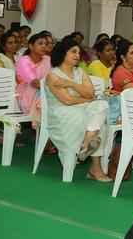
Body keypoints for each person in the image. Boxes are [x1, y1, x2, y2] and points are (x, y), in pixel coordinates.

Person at [44, 37, 111, 182]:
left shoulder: (80, 71)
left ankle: (86, 143)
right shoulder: (53, 75)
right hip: (61, 111)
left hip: (83, 108)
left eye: (79, 52)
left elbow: (90, 93)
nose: (77, 55)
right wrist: (87, 99)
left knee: (102, 105)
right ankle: (93, 165)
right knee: (100, 124)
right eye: (73, 52)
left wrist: (70, 84)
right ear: (63, 53)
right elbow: (67, 100)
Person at [16, 31, 53, 121]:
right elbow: (35, 83)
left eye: (45, 44)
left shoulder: (48, 60)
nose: (44, 46)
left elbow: (54, 78)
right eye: (40, 43)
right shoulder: (23, 61)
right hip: (26, 95)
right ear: (31, 46)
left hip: (45, 92)